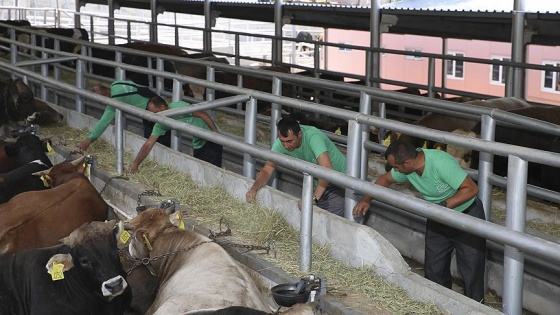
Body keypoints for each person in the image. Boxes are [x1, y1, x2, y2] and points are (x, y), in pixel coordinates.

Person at [353, 140, 486, 303]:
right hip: (439, 217)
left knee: (471, 269)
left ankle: (476, 309)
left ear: (407, 163)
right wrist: (367, 199)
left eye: (396, 167)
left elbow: (471, 189)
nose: (395, 171)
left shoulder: (440, 163)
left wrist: (443, 206)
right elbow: (385, 179)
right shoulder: (409, 168)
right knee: (434, 268)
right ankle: (440, 306)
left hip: (466, 216)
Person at [245, 117, 346, 217]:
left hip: (341, 183)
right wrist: (254, 188)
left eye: (289, 141)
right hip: (320, 183)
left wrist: (313, 199)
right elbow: (267, 169)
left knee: (331, 220)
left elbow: (326, 169)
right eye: (282, 141)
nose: (285, 146)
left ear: (299, 135)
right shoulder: (281, 144)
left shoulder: (313, 136)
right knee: (317, 219)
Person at [129, 96, 222, 173]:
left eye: (155, 113)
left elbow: (202, 114)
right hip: (198, 142)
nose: (154, 117)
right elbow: (148, 145)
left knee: (212, 171)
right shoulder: (160, 123)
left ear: (162, 107)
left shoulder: (178, 107)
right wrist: (135, 164)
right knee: (201, 170)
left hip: (210, 137)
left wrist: (214, 133)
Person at [78, 80, 171, 151]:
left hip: (153, 109)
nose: (103, 104)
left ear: (105, 94)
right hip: (153, 100)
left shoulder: (116, 99)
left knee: (158, 138)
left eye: (101, 101)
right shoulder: (115, 84)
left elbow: (104, 121)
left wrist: (88, 140)